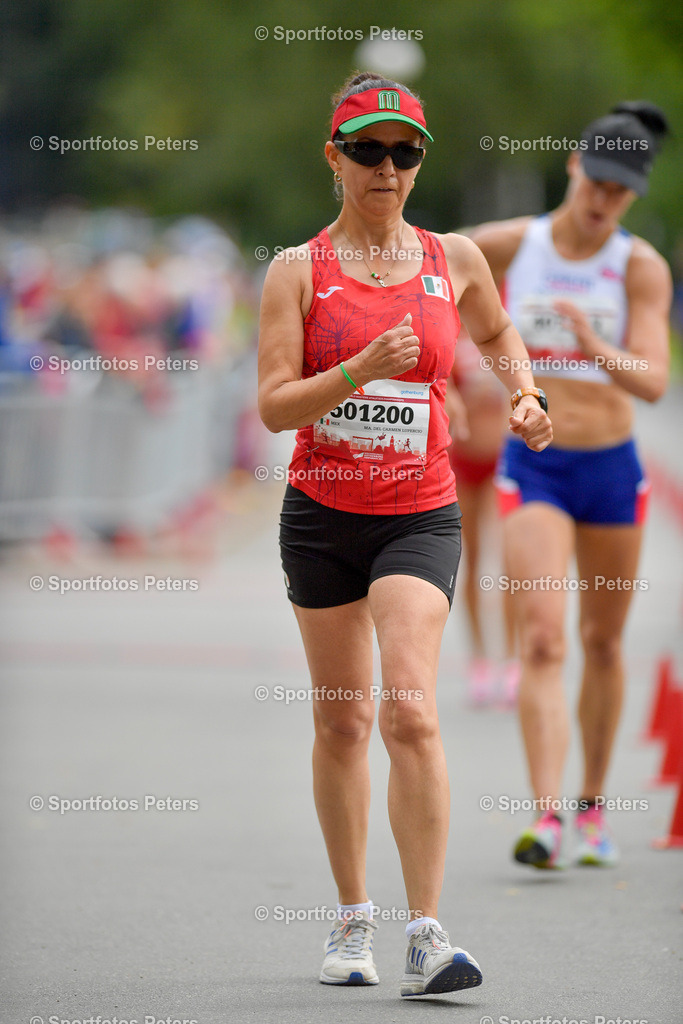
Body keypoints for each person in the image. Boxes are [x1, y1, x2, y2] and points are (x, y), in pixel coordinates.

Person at [257, 71, 552, 996]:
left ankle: (426, 931)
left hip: (417, 513)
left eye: (405, 151)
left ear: (419, 162)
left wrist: (524, 392)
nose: (387, 168)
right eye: (369, 150)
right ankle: (352, 920)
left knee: (410, 711)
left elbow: (499, 332)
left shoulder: (451, 257)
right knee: (342, 720)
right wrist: (353, 372)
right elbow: (271, 407)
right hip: (321, 515)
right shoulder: (296, 270)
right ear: (334, 157)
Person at [470, 102, 672, 869]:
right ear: (572, 167)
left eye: (619, 192)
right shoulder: (507, 245)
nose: (601, 201)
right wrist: (454, 365)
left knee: (602, 641)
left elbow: (652, 380)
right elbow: (428, 274)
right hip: (535, 465)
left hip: (611, 467)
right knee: (546, 637)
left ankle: (591, 807)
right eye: (595, 182)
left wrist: (594, 344)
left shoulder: (637, 266)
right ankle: (546, 815)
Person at [445, 328, 519, 707]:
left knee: (508, 560)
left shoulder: (505, 329)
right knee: (470, 559)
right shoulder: (450, 330)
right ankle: (479, 661)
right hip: (462, 460)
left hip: (501, 458)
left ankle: (510, 660)